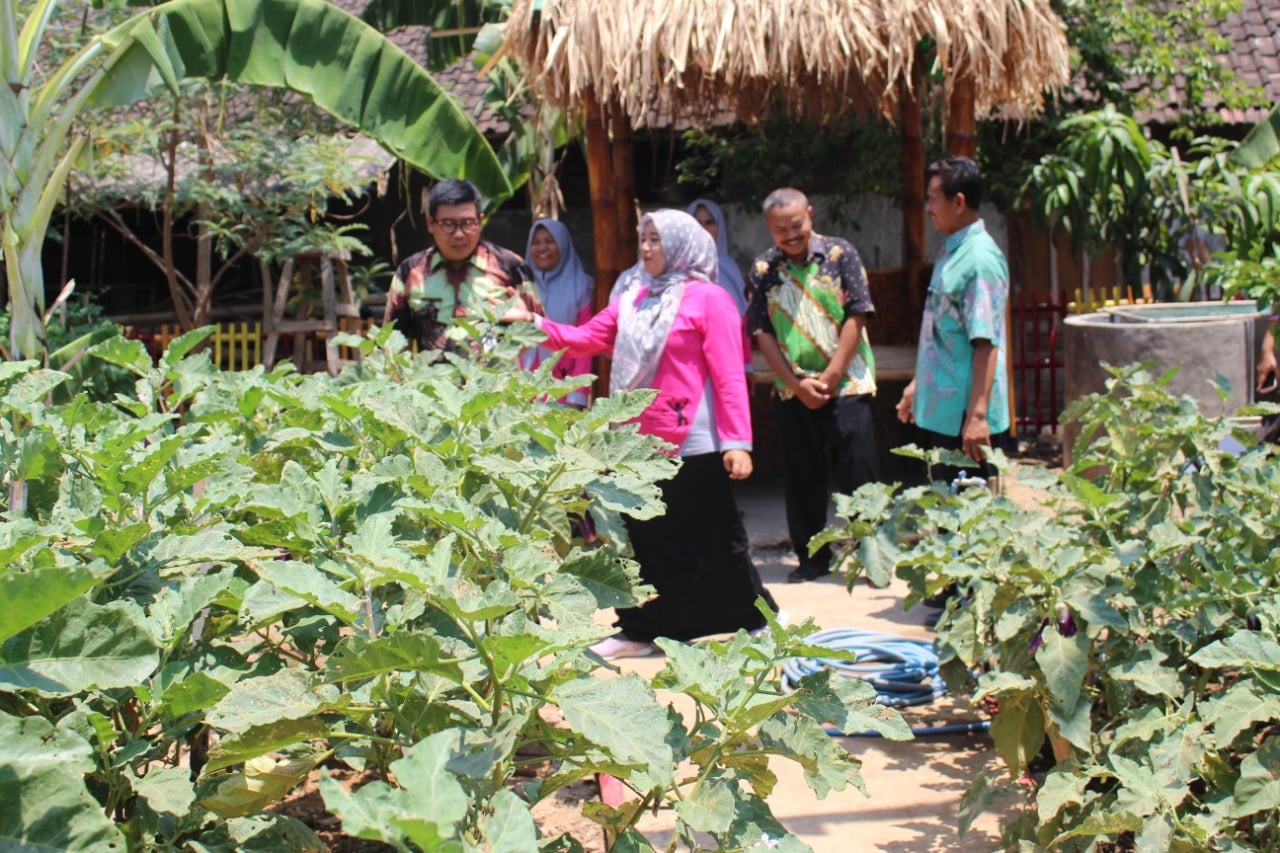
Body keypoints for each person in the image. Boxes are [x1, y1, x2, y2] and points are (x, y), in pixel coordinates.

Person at [506, 209, 779, 657]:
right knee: (648, 541)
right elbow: (587, 339)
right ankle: (645, 629)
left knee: (715, 536)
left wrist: (737, 443)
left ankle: (758, 621)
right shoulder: (633, 296)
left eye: (656, 239)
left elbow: (729, 375)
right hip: (635, 442)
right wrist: (534, 324)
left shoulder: (709, 299)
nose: (646, 247)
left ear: (680, 244)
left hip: (693, 438)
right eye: (643, 239)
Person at [747, 188, 881, 583]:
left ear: (810, 213)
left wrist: (830, 377)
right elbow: (762, 331)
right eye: (780, 229)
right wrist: (796, 384)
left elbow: (857, 316)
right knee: (802, 477)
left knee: (860, 476)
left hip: (848, 384)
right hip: (793, 391)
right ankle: (811, 560)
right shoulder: (762, 269)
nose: (791, 235)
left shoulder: (841, 255)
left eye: (797, 225)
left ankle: (872, 559)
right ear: (768, 229)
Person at [895, 156, 1011, 484]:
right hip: (944, 416)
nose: (928, 208)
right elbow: (945, 333)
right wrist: (920, 384)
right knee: (947, 519)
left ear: (958, 202)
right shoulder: (953, 251)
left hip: (964, 423)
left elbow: (985, 343)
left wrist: (976, 418)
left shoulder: (979, 260)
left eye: (932, 198)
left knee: (970, 526)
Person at [383, 178, 539, 354]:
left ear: (480, 222)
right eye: (448, 224)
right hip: (430, 380)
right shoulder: (409, 272)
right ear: (430, 223)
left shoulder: (511, 266)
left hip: (497, 380)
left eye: (467, 223)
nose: (458, 234)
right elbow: (392, 342)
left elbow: (539, 332)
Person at [524, 219, 595, 408]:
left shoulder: (582, 286)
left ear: (563, 244)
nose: (542, 248)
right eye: (536, 242)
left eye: (549, 241)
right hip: (522, 392)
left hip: (562, 392)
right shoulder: (520, 286)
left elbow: (585, 346)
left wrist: (576, 398)